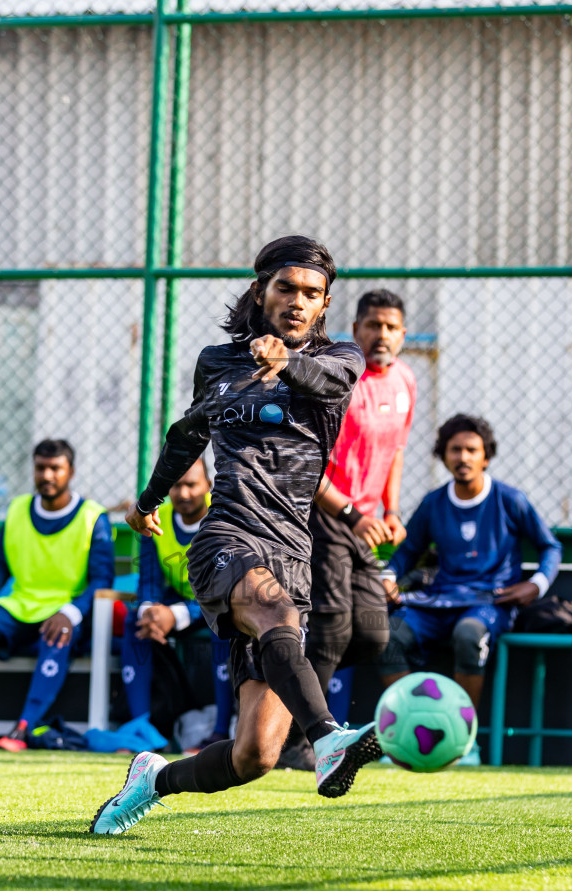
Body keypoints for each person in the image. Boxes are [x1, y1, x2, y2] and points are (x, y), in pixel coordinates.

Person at [89, 235, 381, 836]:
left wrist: (286, 363)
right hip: (226, 537)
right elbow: (187, 433)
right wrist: (148, 500)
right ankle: (328, 738)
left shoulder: (342, 357)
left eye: (311, 294)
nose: (297, 302)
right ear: (261, 290)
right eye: (286, 289)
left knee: (254, 755)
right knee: (272, 613)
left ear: (324, 305)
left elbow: (327, 381)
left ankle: (152, 781)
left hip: (292, 553)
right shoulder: (218, 362)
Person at [381, 414, 563, 737]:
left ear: (485, 457)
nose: (463, 457)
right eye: (454, 450)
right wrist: (388, 576)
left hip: (489, 604)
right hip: (438, 601)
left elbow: (550, 547)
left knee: (469, 635)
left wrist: (535, 585)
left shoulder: (510, 500)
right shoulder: (433, 503)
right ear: (444, 455)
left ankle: (461, 739)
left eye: (471, 450)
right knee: (386, 636)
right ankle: (410, 733)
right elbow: (408, 551)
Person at [0, 439, 113, 750]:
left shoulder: (92, 516)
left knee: (59, 633)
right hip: (17, 606)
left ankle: (24, 728)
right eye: (41, 468)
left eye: (55, 468)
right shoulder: (18, 508)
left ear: (70, 471)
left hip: (63, 609)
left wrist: (71, 612)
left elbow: (102, 579)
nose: (47, 475)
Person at [303, 288, 414, 737]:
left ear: (403, 334)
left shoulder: (406, 380)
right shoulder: (338, 381)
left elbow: (397, 450)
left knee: (372, 635)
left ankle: (285, 671)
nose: (381, 335)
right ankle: (301, 740)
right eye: (373, 325)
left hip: (367, 524)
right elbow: (308, 465)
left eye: (390, 327)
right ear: (355, 330)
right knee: (331, 629)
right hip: (326, 514)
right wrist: (352, 513)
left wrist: (392, 510)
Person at [112, 458, 230, 752]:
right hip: (180, 604)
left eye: (191, 484)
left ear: (208, 486)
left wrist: (175, 615)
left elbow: (223, 589)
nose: (184, 493)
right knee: (134, 621)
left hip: (217, 604)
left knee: (226, 625)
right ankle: (142, 728)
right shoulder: (154, 517)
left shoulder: (223, 521)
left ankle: (220, 731)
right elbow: (149, 577)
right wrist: (150, 609)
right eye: (176, 485)